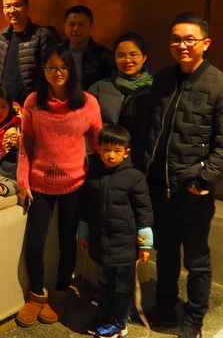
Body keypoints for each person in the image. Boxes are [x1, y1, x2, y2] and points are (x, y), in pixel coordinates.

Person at [144, 12, 223, 338]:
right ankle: (164, 307)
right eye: (176, 39)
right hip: (160, 185)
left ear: (205, 43)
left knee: (197, 260)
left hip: (192, 190)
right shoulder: (163, 79)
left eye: (189, 39)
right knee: (166, 252)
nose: (182, 45)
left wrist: (203, 182)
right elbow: (152, 130)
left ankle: (194, 320)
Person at [15, 44, 102, 328]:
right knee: (34, 244)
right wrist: (23, 181)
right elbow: (26, 145)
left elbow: (98, 145)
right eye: (51, 67)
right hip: (39, 184)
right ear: (44, 70)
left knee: (67, 242)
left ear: (71, 70)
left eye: (63, 67)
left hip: (74, 185)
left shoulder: (88, 103)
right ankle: (36, 294)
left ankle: (61, 292)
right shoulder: (33, 102)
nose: (57, 72)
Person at [79, 125, 153, 338]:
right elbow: (87, 207)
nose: (111, 155)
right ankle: (104, 315)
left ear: (126, 152)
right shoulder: (94, 175)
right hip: (100, 242)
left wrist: (145, 244)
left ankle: (119, 322)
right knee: (104, 283)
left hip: (125, 245)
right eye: (106, 150)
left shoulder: (134, 177)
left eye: (117, 151)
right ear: (98, 149)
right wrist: (84, 233)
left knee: (124, 286)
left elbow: (144, 211)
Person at [88, 31, 153, 169]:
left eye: (133, 55)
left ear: (144, 57)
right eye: (121, 55)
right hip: (106, 160)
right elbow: (88, 128)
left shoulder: (155, 88)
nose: (127, 60)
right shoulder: (99, 88)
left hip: (142, 160)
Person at [0, 0, 60, 105]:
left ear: (27, 7)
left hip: (30, 102)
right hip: (4, 102)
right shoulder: (2, 37)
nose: (12, 10)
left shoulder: (42, 35)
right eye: (7, 6)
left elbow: (47, 72)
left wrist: (38, 100)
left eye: (17, 5)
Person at [62, 5, 114, 89]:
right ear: (65, 26)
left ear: (91, 27)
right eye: (71, 24)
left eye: (81, 25)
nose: (75, 29)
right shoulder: (55, 53)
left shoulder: (105, 57)